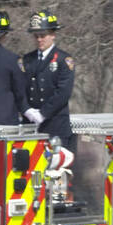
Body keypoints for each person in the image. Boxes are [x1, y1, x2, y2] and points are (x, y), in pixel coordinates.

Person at [22, 11, 75, 154]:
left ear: (53, 35)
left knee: (56, 171)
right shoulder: (27, 59)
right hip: (31, 125)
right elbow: (20, 88)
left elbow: (63, 92)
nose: (39, 39)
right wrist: (27, 109)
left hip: (55, 125)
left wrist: (43, 113)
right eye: (36, 36)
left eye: (43, 35)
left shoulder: (63, 60)